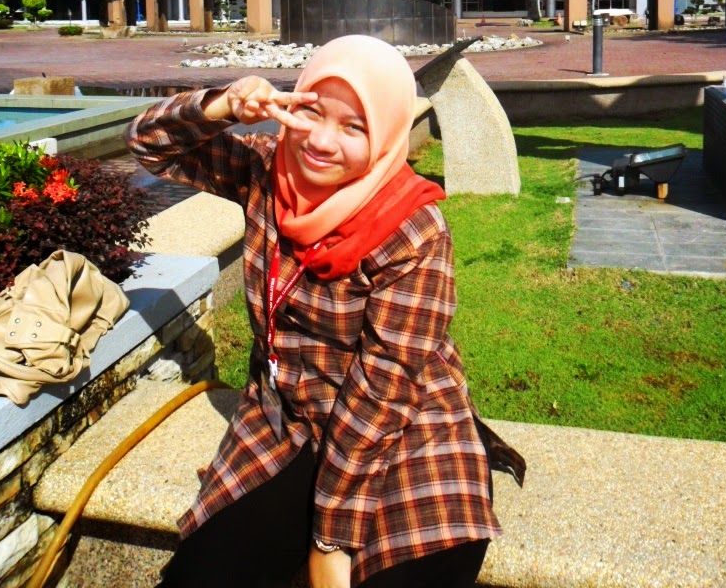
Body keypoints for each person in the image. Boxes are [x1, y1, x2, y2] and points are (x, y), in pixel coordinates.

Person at [125, 34, 523, 588]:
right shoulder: (267, 169)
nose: (321, 141)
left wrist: (330, 539)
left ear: (387, 133)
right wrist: (223, 105)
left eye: (354, 127)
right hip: (287, 416)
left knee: (424, 563)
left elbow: (383, 387)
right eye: (311, 112)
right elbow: (148, 145)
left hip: (400, 424)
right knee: (204, 573)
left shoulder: (413, 228)